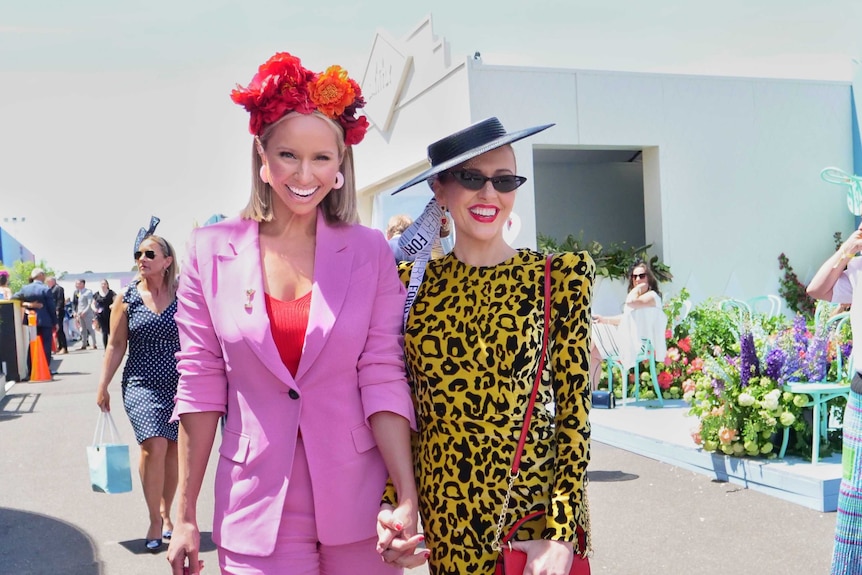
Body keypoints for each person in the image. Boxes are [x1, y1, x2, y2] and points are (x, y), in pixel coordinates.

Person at [166, 51, 419, 575]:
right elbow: (200, 382)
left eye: (322, 158)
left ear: (341, 164)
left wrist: (407, 495)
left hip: (361, 505)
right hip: (253, 505)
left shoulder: (370, 251)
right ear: (262, 155)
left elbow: (382, 374)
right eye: (288, 155)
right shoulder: (206, 251)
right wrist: (185, 510)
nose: (305, 174)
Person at [378, 117, 593, 574]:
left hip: (529, 530)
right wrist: (396, 504)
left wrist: (562, 532)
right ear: (439, 190)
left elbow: (575, 414)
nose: (490, 194)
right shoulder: (409, 286)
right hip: (446, 525)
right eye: (472, 178)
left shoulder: (558, 278)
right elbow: (403, 407)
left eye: (505, 180)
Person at [95, 222, 181, 553]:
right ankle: (154, 519)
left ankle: (166, 511)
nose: (142, 259)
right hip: (140, 382)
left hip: (177, 381)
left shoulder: (182, 294)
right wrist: (103, 385)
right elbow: (115, 345)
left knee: (172, 450)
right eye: (138, 254)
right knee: (153, 446)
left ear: (167, 260)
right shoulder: (126, 299)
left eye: (149, 254)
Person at [807, 221, 862, 574]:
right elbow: (817, 289)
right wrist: (847, 250)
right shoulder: (857, 267)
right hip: (861, 396)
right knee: (855, 494)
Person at [589, 259, 665, 391]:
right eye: (634, 277)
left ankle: (577, 382)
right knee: (594, 349)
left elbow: (631, 303)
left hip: (639, 343)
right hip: (628, 338)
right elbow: (625, 319)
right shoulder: (637, 297)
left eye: (642, 276)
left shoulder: (651, 296)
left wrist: (639, 288)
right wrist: (603, 319)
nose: (637, 279)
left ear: (649, 279)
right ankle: (592, 393)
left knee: (593, 338)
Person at [12, 267, 58, 375]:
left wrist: (28, 305)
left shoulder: (25, 289)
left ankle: (31, 369)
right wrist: (55, 322)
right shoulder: (45, 289)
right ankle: (45, 368)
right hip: (45, 321)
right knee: (46, 345)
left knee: (32, 344)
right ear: (41, 275)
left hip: (31, 320)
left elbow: (14, 298)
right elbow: (51, 308)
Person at [46, 276, 68, 355]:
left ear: (53, 281)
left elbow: (60, 300)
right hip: (53, 312)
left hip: (58, 311)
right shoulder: (51, 289)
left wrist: (57, 309)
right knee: (56, 329)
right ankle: (60, 346)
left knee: (60, 329)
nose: (47, 283)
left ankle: (64, 347)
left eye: (48, 281)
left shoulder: (58, 288)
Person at [74, 279, 97, 350]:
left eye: (78, 283)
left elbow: (89, 303)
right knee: (83, 330)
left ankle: (94, 344)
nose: (76, 285)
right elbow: (77, 304)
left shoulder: (88, 292)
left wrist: (84, 312)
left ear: (82, 284)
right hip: (80, 313)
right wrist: (76, 312)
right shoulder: (78, 292)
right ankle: (84, 344)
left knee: (90, 328)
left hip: (87, 313)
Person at [93, 279, 117, 350]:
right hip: (100, 315)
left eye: (104, 284)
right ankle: (106, 349)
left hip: (110, 314)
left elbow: (115, 301)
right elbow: (92, 304)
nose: (103, 285)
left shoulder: (111, 293)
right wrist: (94, 309)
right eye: (102, 284)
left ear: (107, 285)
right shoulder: (97, 294)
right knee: (104, 331)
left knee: (111, 331)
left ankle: (114, 347)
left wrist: (112, 305)